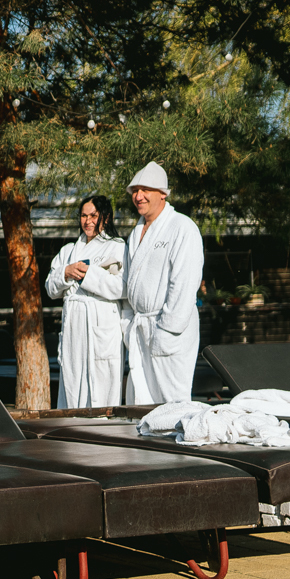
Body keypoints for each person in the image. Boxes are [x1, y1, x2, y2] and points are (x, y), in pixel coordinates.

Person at [121, 162, 206, 405]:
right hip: (141, 327)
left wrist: (167, 330)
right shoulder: (135, 233)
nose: (138, 196)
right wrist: (127, 324)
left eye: (145, 190)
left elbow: (184, 284)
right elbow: (128, 284)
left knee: (173, 402)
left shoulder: (182, 228)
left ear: (163, 193)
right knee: (141, 400)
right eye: (135, 190)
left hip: (169, 328)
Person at [45, 195, 128, 407]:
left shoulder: (117, 247)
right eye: (83, 216)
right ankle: (72, 423)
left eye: (93, 216)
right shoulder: (68, 251)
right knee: (72, 380)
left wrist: (87, 275)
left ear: (105, 217)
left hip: (101, 325)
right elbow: (50, 289)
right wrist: (66, 272)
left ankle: (102, 424)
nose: (88, 221)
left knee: (102, 381)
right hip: (74, 328)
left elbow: (122, 287)